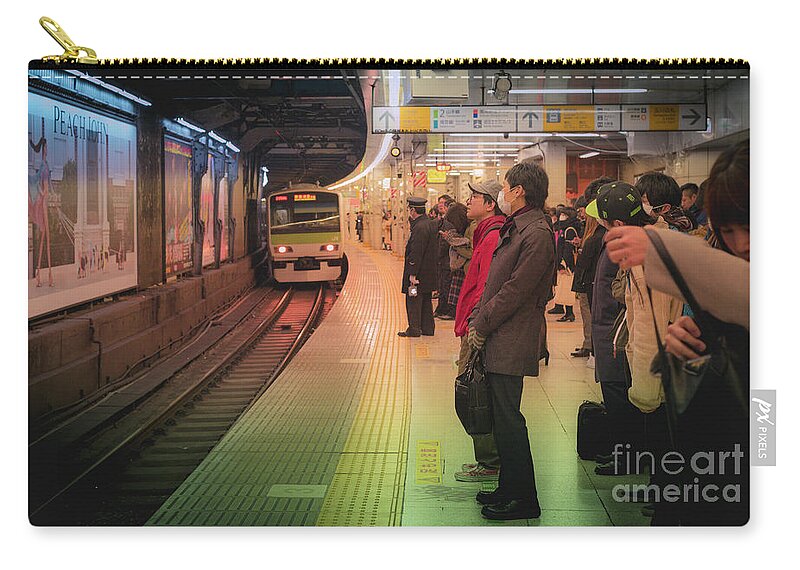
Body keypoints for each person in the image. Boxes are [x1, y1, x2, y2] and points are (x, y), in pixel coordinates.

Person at [604, 139, 749, 526]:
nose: (742, 243)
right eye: (729, 230)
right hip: (716, 433)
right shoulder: (722, 252)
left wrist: (662, 250)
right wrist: (697, 333)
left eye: (750, 226)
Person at [467, 162, 555, 520]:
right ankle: (508, 487)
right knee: (503, 419)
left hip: (511, 335)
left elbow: (516, 290)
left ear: (519, 190)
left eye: (505, 186)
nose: (502, 192)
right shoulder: (519, 227)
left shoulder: (536, 233)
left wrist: (483, 323)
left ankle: (525, 499)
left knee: (509, 419)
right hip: (501, 333)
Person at [584, 182, 648, 476]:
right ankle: (622, 450)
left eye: (603, 219)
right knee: (616, 395)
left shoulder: (627, 246)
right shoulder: (620, 240)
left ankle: (628, 457)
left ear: (619, 223)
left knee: (620, 396)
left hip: (616, 335)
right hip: (608, 331)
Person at [451, 181, 506, 483]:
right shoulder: (485, 234)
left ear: (490, 205)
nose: (468, 201)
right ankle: (488, 459)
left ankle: (490, 462)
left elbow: (486, 288)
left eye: (474, 197)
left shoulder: (492, 237)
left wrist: (474, 326)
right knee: (476, 393)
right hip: (473, 324)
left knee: (475, 394)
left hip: (477, 328)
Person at [570, 177, 613, 361]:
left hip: (594, 287)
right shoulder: (597, 234)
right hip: (592, 285)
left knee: (593, 319)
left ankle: (593, 350)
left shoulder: (600, 236)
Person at [398, 197, 438, 338]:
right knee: (426, 300)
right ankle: (427, 328)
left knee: (413, 298)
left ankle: (414, 329)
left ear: (413, 210)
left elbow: (416, 252)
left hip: (418, 275)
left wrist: (412, 274)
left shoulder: (419, 227)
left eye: (410, 209)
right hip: (428, 272)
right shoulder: (430, 224)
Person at [552, 207, 582, 322]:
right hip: (565, 264)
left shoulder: (569, 230)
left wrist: (564, 264)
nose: (561, 217)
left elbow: (567, 249)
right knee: (565, 289)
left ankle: (569, 313)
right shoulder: (565, 229)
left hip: (567, 265)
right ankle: (568, 312)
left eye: (564, 215)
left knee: (566, 290)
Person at [441, 202, 469, 316]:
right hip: (462, 267)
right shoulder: (467, 228)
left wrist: (454, 245)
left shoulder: (471, 229)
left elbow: (471, 250)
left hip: (465, 269)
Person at [434, 195, 457, 320]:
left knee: (446, 285)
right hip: (444, 261)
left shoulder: (448, 223)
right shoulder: (442, 221)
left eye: (443, 203)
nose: (440, 205)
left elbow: (443, 244)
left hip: (447, 261)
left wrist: (436, 255)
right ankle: (442, 308)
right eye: (439, 202)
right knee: (443, 285)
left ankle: (446, 309)